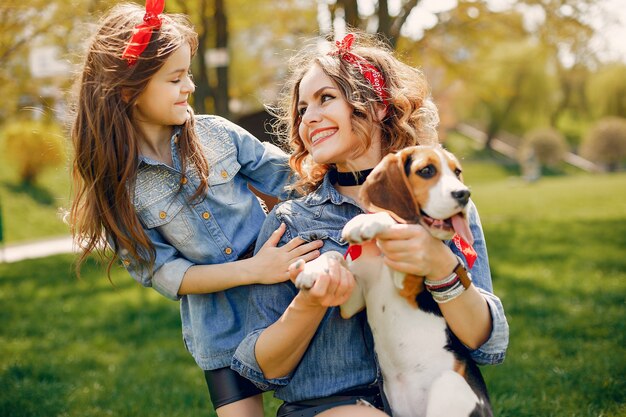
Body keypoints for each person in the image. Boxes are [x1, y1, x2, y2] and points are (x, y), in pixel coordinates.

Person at [232, 32, 509, 417]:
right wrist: (311, 301)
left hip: (437, 397)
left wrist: (440, 265)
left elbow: (485, 343)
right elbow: (263, 369)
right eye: (301, 109)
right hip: (331, 407)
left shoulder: (444, 202)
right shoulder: (294, 220)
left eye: (326, 98)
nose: (309, 118)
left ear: (377, 106)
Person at [67, 1, 322, 416]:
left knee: (321, 404)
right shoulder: (119, 188)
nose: (190, 86)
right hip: (219, 331)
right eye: (175, 78)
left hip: (286, 301)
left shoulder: (217, 135)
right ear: (129, 90)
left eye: (188, 74)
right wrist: (252, 269)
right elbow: (163, 273)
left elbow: (295, 178)